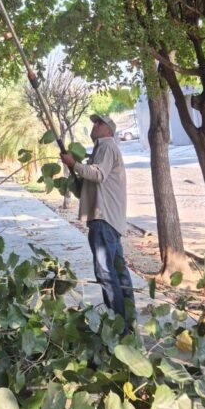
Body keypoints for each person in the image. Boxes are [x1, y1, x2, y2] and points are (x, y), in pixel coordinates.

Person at [61, 113, 135, 328]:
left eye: (100, 123)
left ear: (108, 130)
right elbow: (94, 182)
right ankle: (128, 322)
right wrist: (76, 171)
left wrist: (74, 164)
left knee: (106, 273)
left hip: (103, 219)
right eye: (95, 122)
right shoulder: (102, 149)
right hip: (109, 219)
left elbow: (98, 174)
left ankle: (117, 326)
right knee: (118, 271)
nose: (95, 125)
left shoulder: (106, 146)